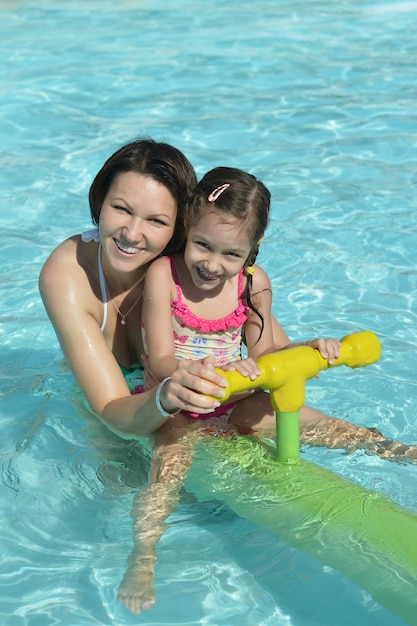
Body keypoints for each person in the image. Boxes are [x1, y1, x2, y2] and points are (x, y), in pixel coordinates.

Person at [39, 139, 416, 615]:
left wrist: (313, 348)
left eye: (156, 220)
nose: (134, 232)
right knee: (140, 478)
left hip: (223, 395)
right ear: (99, 201)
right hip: (148, 400)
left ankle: (401, 453)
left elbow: (268, 350)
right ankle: (144, 554)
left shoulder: (230, 274)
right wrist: (172, 389)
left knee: (322, 425)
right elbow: (128, 393)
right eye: (120, 208)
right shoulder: (104, 273)